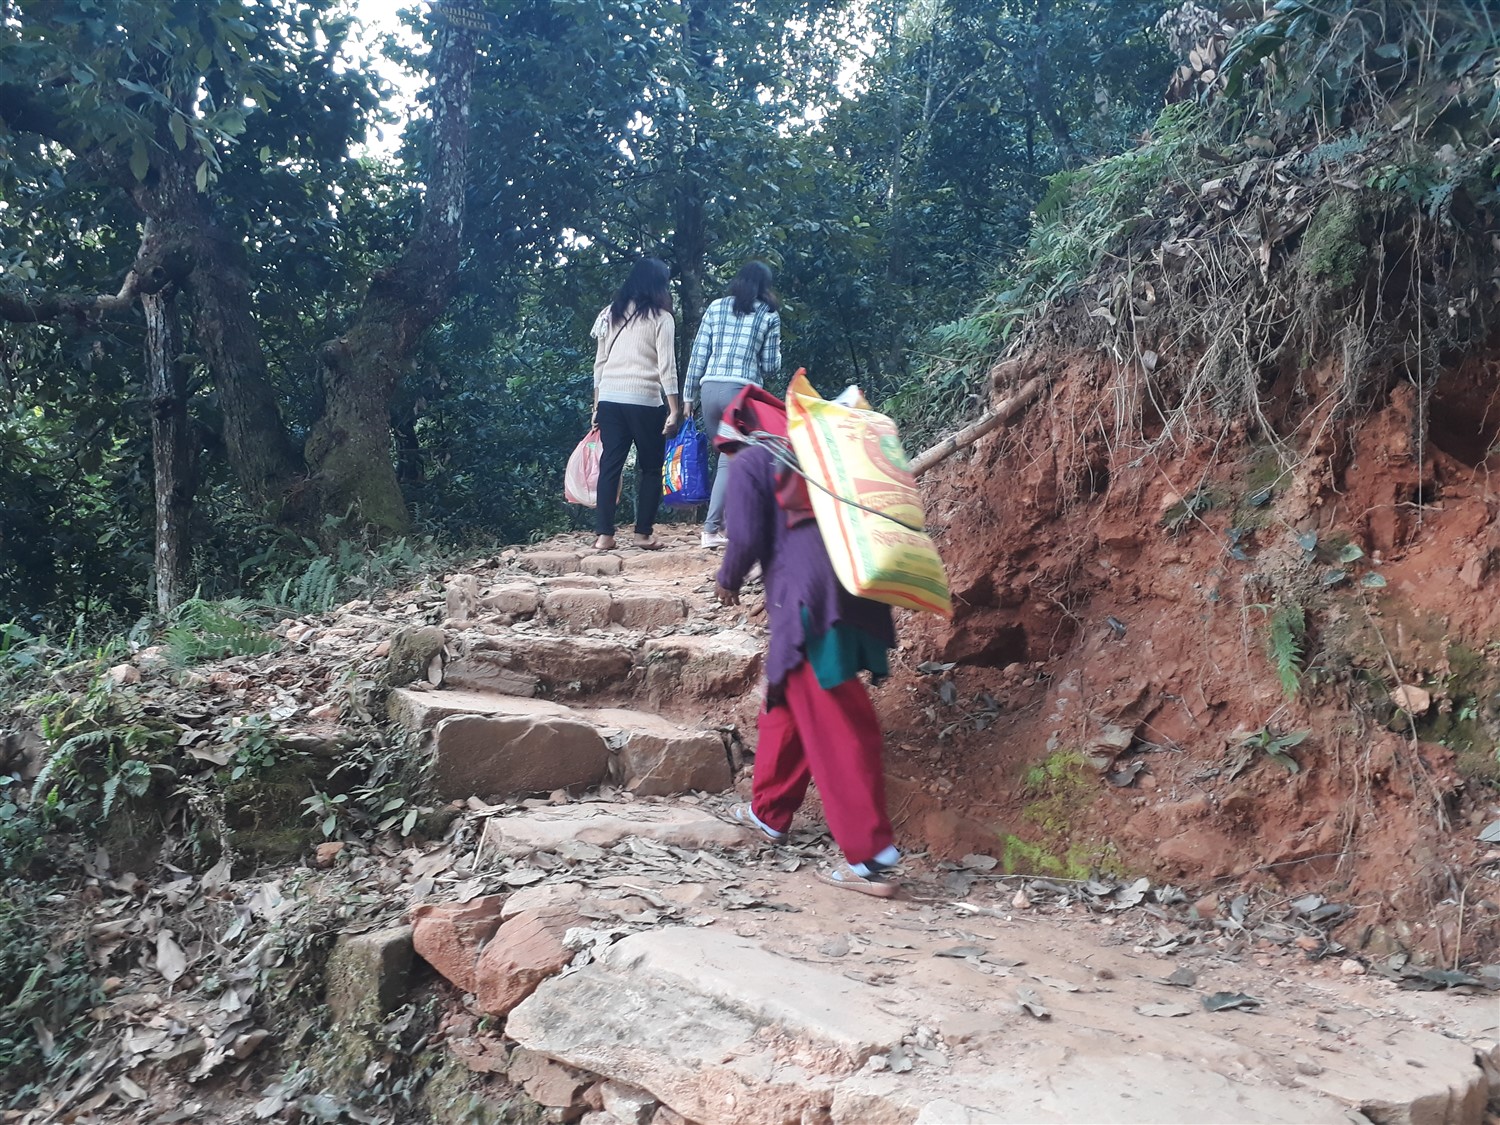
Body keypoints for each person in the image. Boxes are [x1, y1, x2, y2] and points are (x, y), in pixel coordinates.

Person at [714, 387, 902, 897]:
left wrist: (727, 578)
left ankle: (871, 857)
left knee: (837, 721)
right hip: (850, 594)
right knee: (787, 704)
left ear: (733, 433)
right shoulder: (807, 456)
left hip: (809, 604)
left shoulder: (753, 460)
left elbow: (746, 536)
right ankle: (768, 812)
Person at [683, 261, 781, 549]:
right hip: (739, 393)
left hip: (709, 390)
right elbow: (771, 365)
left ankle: (726, 525)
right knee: (732, 460)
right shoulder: (768, 314)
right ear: (765, 286)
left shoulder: (716, 307)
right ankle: (712, 529)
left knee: (727, 459)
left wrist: (688, 397)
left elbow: (698, 354)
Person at [590, 257, 683, 551]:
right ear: (660, 286)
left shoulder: (609, 314)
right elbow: (667, 366)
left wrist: (596, 405)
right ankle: (642, 534)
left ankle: (604, 535)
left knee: (610, 466)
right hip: (644, 400)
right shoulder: (662, 318)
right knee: (651, 468)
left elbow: (599, 364)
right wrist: (674, 408)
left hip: (610, 398)